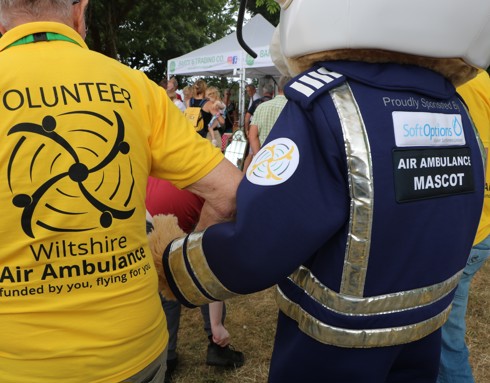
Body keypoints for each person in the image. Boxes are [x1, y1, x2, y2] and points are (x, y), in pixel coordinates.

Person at [155, 0, 490, 382]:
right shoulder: (454, 107)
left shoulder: (327, 104)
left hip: (336, 345)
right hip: (425, 324)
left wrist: (174, 265)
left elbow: (262, 237)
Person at [0, 1, 242, 382]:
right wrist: (182, 268)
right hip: (133, 351)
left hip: (17, 361)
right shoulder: (133, 87)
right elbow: (229, 192)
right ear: (80, 11)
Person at [146, 177, 244, 382]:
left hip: (148, 222)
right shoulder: (217, 186)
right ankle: (217, 344)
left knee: (169, 291)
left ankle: (168, 356)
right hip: (162, 226)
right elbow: (210, 271)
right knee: (200, 273)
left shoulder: (155, 164)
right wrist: (217, 325)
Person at [437, 70, 490, 383]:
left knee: (445, 337)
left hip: (467, 229)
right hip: (481, 227)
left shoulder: (454, 83)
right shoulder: (481, 80)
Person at [245, 76, 290, 172]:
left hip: (263, 157)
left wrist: (259, 157)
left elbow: (252, 136)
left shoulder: (261, 107)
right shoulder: (294, 107)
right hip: (285, 160)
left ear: (278, 88)